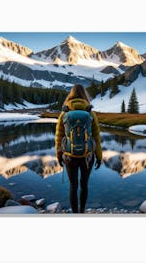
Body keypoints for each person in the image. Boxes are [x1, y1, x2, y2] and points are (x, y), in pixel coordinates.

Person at [55, 84, 102, 213]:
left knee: (73, 186)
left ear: (71, 95)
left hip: (70, 156)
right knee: (84, 185)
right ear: (84, 95)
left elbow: (59, 136)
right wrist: (99, 156)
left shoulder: (65, 112)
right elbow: (96, 137)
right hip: (87, 156)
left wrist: (59, 155)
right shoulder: (90, 112)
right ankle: (82, 212)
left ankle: (75, 213)